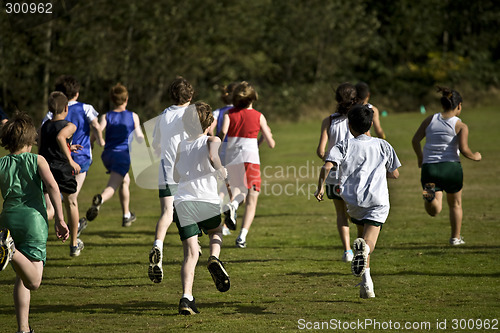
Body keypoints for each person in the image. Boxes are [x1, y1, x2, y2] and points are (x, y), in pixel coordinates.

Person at [315, 104, 401, 298]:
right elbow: (394, 174)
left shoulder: (343, 145)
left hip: (354, 203)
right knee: (368, 243)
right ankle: (365, 254)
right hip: (377, 201)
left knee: (361, 237)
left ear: (349, 126)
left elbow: (326, 167)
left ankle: (367, 285)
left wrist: (320, 187)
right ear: (370, 124)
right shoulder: (382, 145)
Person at [0, 112, 69, 333]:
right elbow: (52, 187)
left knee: (22, 276)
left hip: (8, 220)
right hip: (33, 222)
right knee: (34, 281)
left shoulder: (1, 164)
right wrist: (59, 218)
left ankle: (23, 329)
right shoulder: (37, 159)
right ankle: (9, 248)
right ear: (31, 140)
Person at [173, 101, 230, 315]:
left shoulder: (181, 145)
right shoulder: (212, 140)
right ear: (209, 123)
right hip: (206, 200)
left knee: (190, 254)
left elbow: (176, 176)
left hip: (182, 203)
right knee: (216, 231)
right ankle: (214, 257)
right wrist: (222, 172)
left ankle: (186, 298)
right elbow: (214, 157)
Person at [411, 87, 481, 245]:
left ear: (443, 104)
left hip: (429, 169)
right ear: (459, 106)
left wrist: (420, 157)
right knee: (455, 204)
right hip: (451, 169)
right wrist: (475, 156)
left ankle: (429, 199)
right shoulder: (460, 125)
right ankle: (455, 238)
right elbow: (464, 149)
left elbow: (415, 140)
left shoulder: (430, 120)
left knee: (434, 211)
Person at [42, 75, 105, 236]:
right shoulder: (86, 108)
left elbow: (41, 133)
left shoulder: (52, 112)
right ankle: (74, 234)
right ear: (76, 93)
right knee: (71, 199)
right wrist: (100, 140)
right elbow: (96, 125)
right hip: (81, 158)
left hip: (54, 160)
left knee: (58, 200)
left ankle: (70, 227)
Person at [148, 76, 194, 283]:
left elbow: (156, 145)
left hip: (166, 169)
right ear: (190, 95)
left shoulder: (163, 115)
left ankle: (158, 244)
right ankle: (193, 252)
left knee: (167, 213)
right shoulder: (192, 114)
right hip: (187, 171)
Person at [219, 81, 275, 248]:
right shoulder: (259, 116)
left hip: (232, 159)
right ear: (253, 98)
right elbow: (271, 143)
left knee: (237, 191)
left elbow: (222, 133)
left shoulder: (229, 114)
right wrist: (262, 140)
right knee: (252, 198)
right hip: (251, 159)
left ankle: (233, 205)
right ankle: (242, 236)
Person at [86, 83, 144, 227]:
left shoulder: (106, 116)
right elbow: (139, 137)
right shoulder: (133, 116)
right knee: (113, 186)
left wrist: (93, 142)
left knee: (125, 180)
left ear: (112, 99)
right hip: (122, 156)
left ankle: (126, 215)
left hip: (107, 155)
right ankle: (101, 199)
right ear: (126, 99)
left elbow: (97, 129)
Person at [315, 82, 358, 262]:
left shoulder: (329, 120)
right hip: (356, 174)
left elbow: (320, 151)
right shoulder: (360, 118)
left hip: (334, 174)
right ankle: (364, 246)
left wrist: (332, 159)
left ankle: (347, 251)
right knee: (357, 212)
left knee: (341, 213)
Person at [38, 91, 83, 256]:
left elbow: (42, 149)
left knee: (49, 209)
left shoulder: (43, 127)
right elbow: (60, 137)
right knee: (71, 203)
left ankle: (36, 238)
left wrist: (69, 148)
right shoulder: (70, 125)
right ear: (66, 107)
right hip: (63, 170)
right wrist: (71, 160)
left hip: (46, 170)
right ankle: (73, 244)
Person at [211, 82, 237, 236]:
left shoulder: (218, 112)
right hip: (235, 152)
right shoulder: (238, 111)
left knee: (225, 184)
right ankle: (226, 225)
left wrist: (212, 140)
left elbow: (209, 127)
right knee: (234, 188)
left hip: (221, 151)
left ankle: (220, 201)